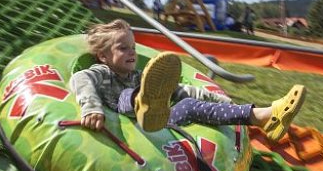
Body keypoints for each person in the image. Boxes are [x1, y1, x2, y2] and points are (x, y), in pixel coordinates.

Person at [70, 19, 306, 143]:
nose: (132, 52)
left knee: (187, 104)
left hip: (156, 127)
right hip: (129, 129)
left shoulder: (137, 76)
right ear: (103, 55)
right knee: (126, 96)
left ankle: (264, 117)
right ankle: (141, 103)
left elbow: (179, 90)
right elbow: (80, 78)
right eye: (123, 48)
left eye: (132, 47)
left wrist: (221, 100)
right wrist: (91, 107)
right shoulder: (101, 72)